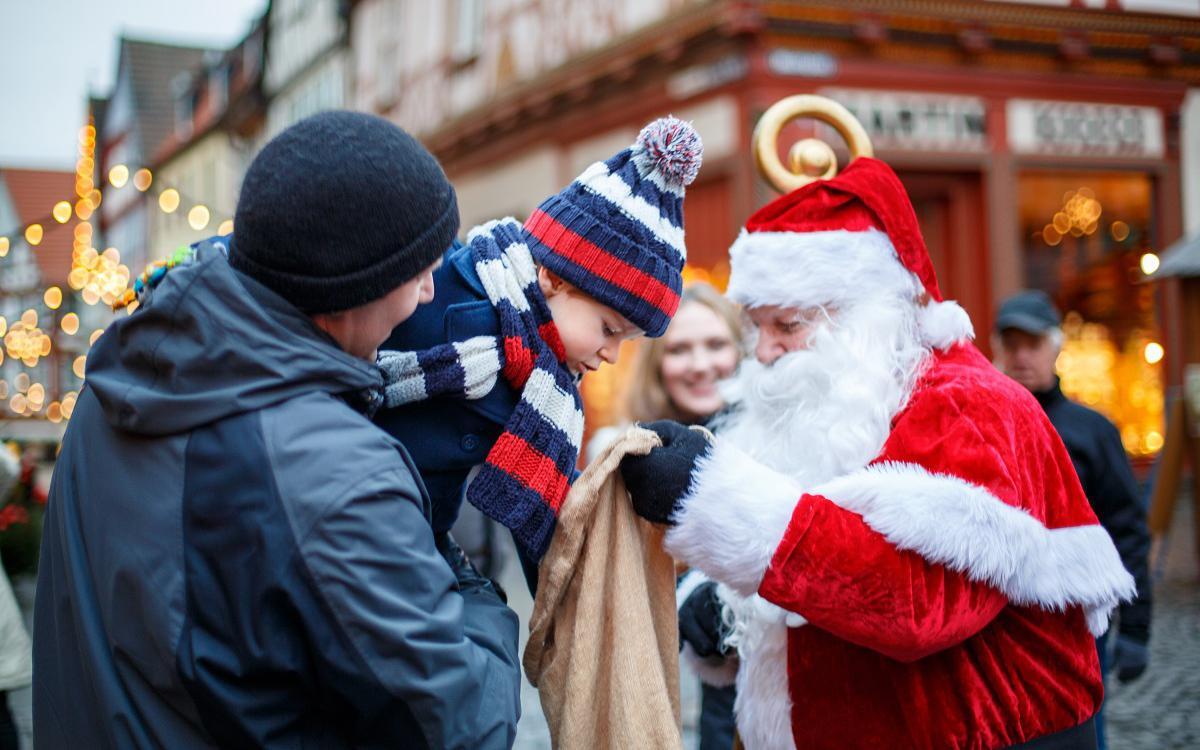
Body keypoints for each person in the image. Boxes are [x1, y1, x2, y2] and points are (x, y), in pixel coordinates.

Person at [34, 111, 521, 748]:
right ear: (354, 288)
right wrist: (473, 592)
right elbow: (461, 728)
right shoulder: (335, 473)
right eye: (420, 271)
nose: (430, 294)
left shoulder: (119, 378)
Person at [619, 156, 1136, 750]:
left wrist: (711, 498)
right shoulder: (855, 400)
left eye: (785, 325)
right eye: (756, 328)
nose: (762, 353)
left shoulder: (967, 404)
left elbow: (919, 601)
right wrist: (716, 604)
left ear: (864, 314)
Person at [373, 116, 703, 582]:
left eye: (626, 342)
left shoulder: (549, 388)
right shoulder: (437, 285)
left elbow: (548, 527)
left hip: (416, 549)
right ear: (552, 277)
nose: (611, 355)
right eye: (609, 329)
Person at [994, 289, 1153, 750]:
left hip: (1078, 627)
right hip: (1001, 628)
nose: (1022, 356)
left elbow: (1127, 529)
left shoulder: (1092, 431)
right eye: (1012, 343)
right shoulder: (983, 424)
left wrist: (1137, 626)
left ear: (1056, 347)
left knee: (1081, 734)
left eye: (1033, 344)